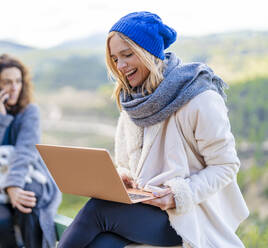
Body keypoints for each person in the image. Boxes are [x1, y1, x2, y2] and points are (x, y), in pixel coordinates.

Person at [58, 11, 249, 248]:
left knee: (98, 208)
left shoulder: (200, 98)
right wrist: (124, 180)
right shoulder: (132, 104)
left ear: (149, 52)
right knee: (101, 243)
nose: (121, 66)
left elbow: (225, 165)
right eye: (115, 59)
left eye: (127, 55)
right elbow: (127, 163)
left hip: (187, 215)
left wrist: (177, 194)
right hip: (145, 209)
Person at [0, 54, 61, 248]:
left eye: (18, 81)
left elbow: (26, 151)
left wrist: (13, 185)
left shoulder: (30, 111)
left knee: (28, 207)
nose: (14, 88)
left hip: (28, 174)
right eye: (7, 82)